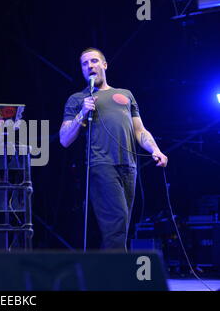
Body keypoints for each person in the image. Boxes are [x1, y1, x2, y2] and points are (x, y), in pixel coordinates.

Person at [59, 47, 168, 251]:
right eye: (85, 64)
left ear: (104, 65)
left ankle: (105, 275)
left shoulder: (125, 95)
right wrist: (82, 113)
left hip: (129, 167)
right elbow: (64, 139)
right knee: (117, 223)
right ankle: (119, 277)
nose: (90, 66)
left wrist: (155, 150)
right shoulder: (77, 99)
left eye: (94, 61)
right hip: (101, 166)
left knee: (120, 227)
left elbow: (139, 130)